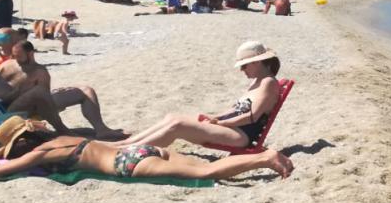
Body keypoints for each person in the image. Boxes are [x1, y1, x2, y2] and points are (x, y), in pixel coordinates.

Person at [0, 116, 293, 182]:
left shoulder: (37, 154)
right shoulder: (61, 138)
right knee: (207, 172)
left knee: (208, 172)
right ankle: (254, 162)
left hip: (129, 165)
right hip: (144, 152)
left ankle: (264, 158)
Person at [118, 41, 282, 149]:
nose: (242, 70)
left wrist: (221, 124)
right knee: (172, 117)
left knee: (178, 126)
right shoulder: (258, 81)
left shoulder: (268, 83)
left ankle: (127, 149)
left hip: (241, 135)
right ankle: (126, 143)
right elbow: (236, 109)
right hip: (234, 128)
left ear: (257, 62)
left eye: (244, 66)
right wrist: (215, 116)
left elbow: (251, 117)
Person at [0, 41, 124, 139]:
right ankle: (62, 130)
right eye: (14, 56)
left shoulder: (38, 70)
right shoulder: (11, 66)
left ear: (30, 54)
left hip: (38, 101)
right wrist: (17, 92)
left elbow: (45, 95)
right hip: (13, 107)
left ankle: (101, 129)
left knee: (86, 90)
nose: (16, 60)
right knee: (40, 92)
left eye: (19, 56)